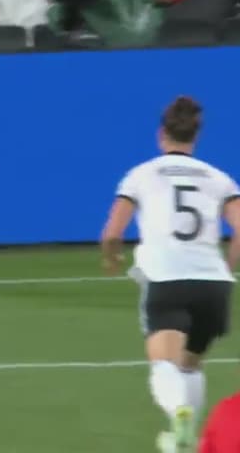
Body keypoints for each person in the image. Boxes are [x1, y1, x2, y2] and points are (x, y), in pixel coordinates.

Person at [99, 96, 240, 453]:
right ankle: (185, 437)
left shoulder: (142, 174)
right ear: (196, 136)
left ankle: (179, 414)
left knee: (164, 363)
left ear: (161, 134)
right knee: (190, 365)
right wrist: (227, 267)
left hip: (167, 278)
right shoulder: (218, 178)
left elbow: (113, 232)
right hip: (214, 284)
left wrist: (112, 256)